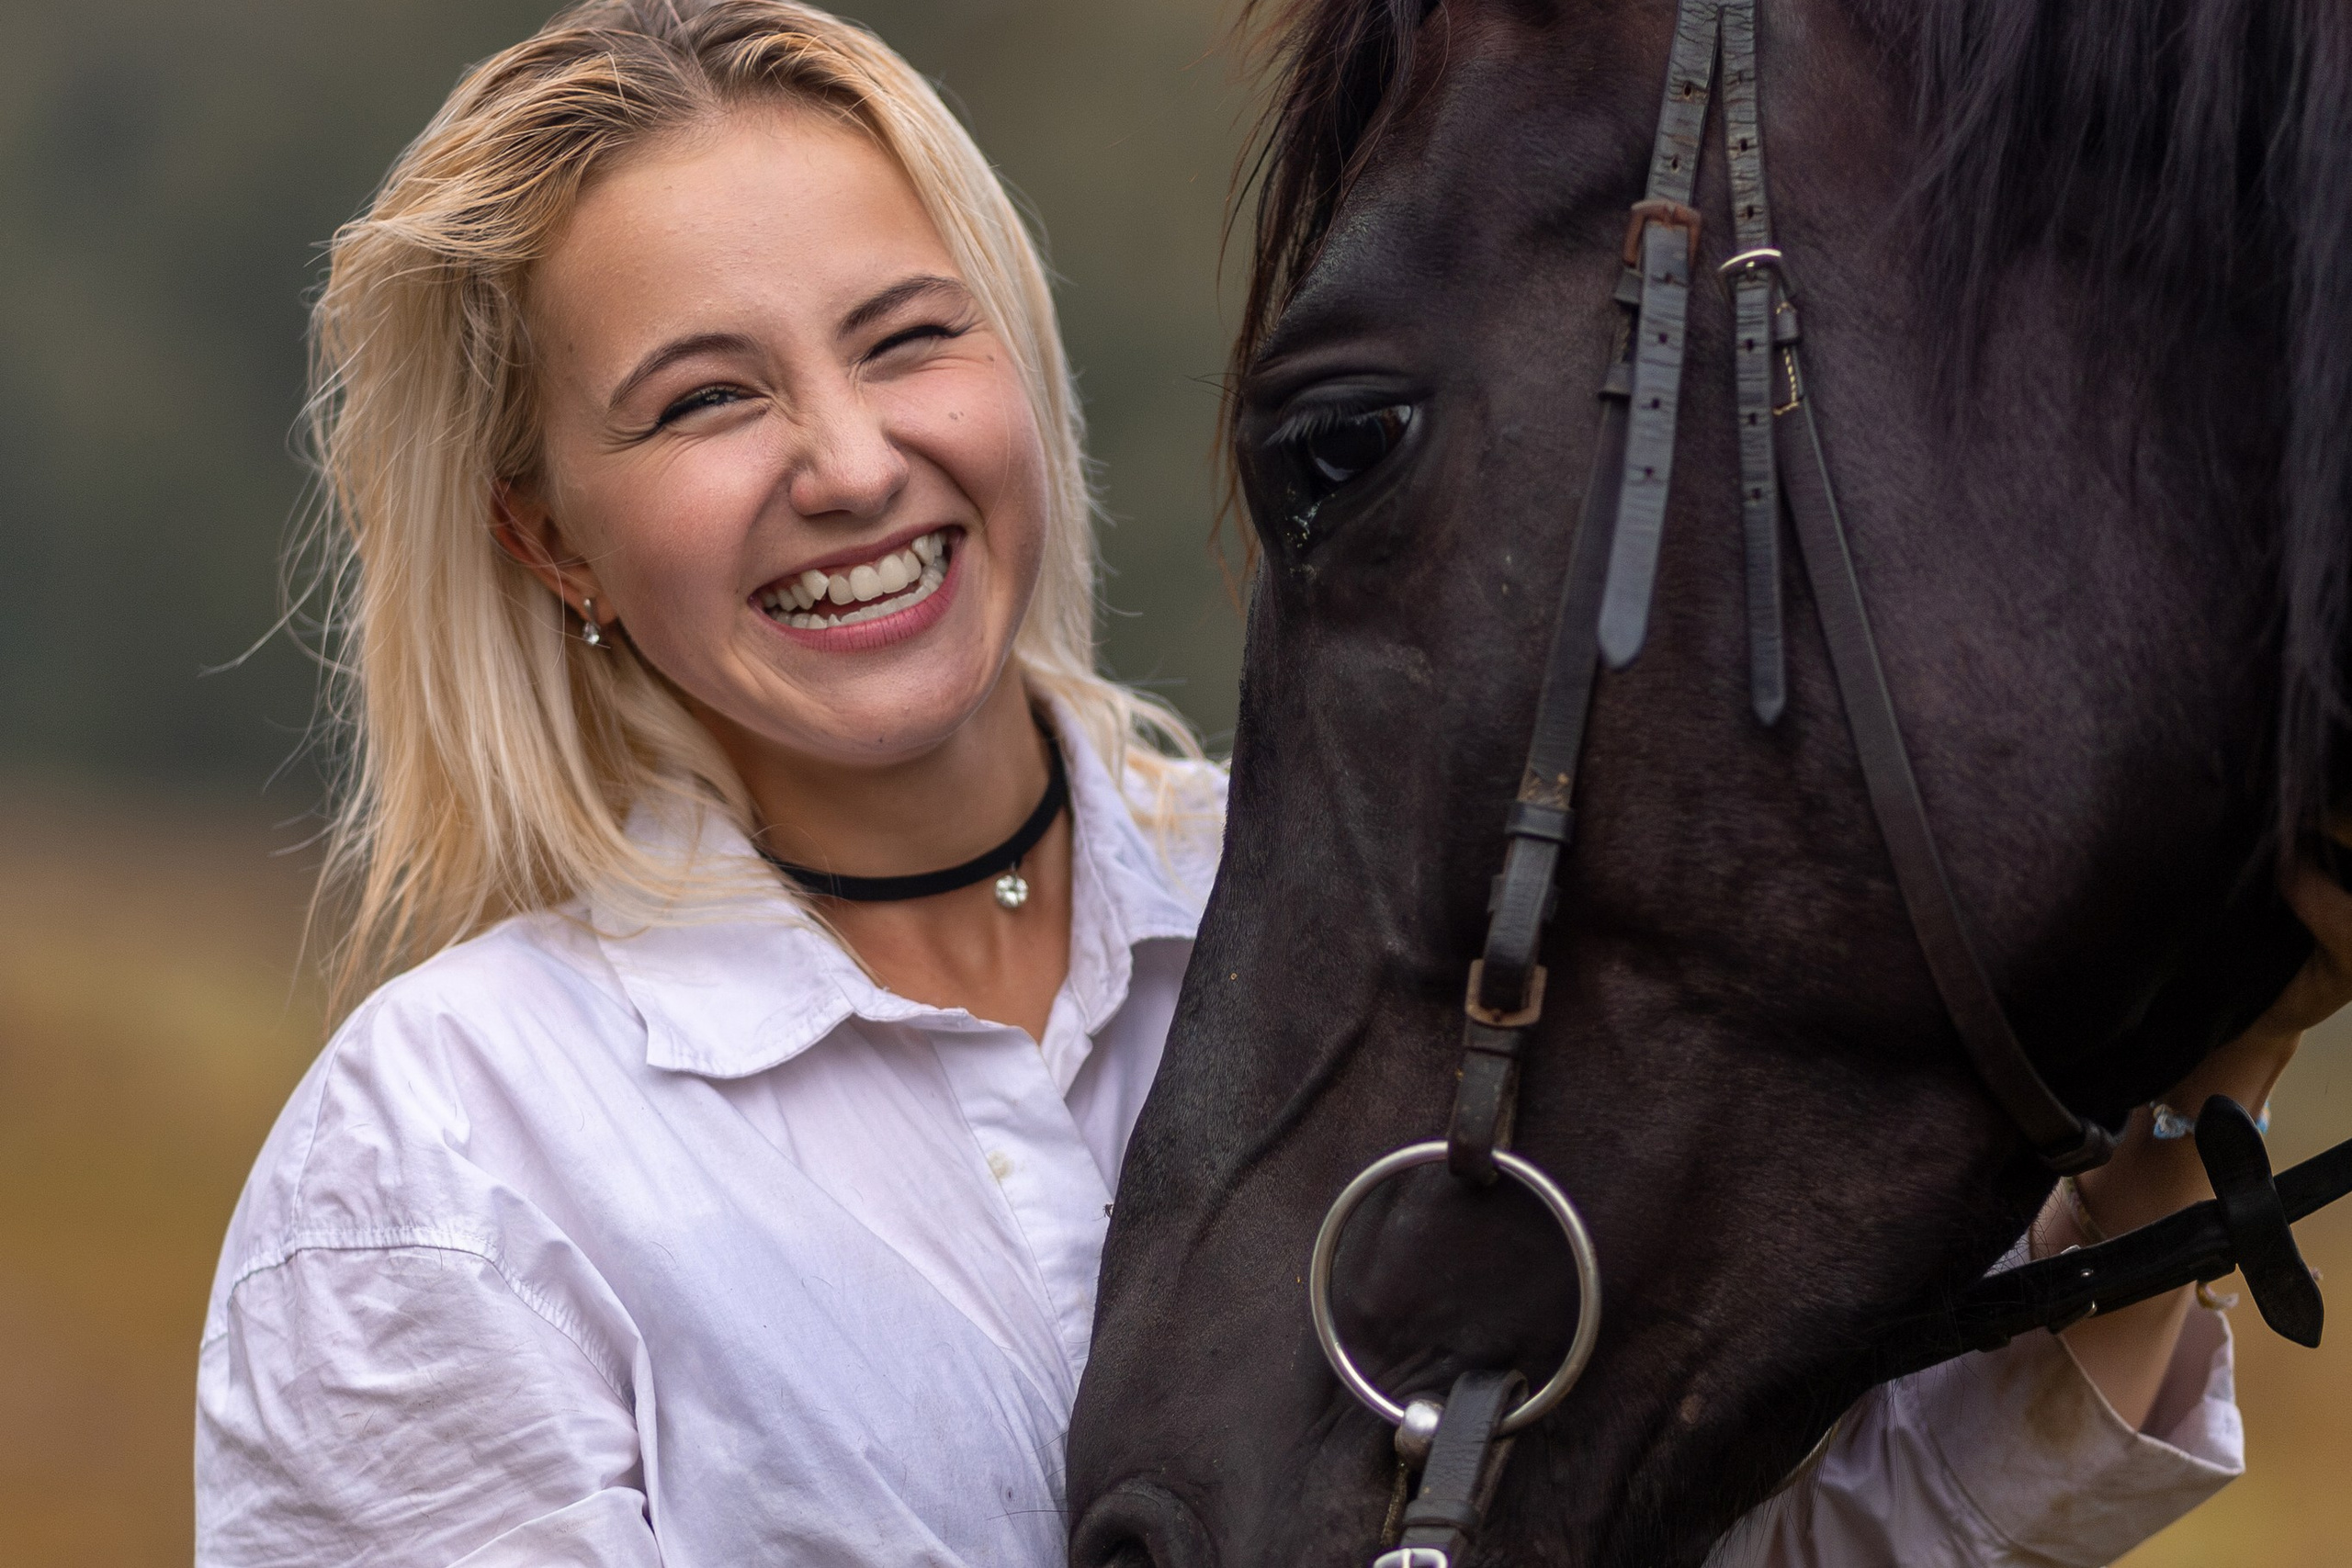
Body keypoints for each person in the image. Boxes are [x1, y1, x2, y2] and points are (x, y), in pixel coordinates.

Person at [192, 4, 2352, 1564]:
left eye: (906, 337)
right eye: (700, 401)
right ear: (549, 536)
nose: (847, 460)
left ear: (1016, 367)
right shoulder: (451, 1165)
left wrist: (2190, 1086)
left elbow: (1779, 1535)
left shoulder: (1363, 917)